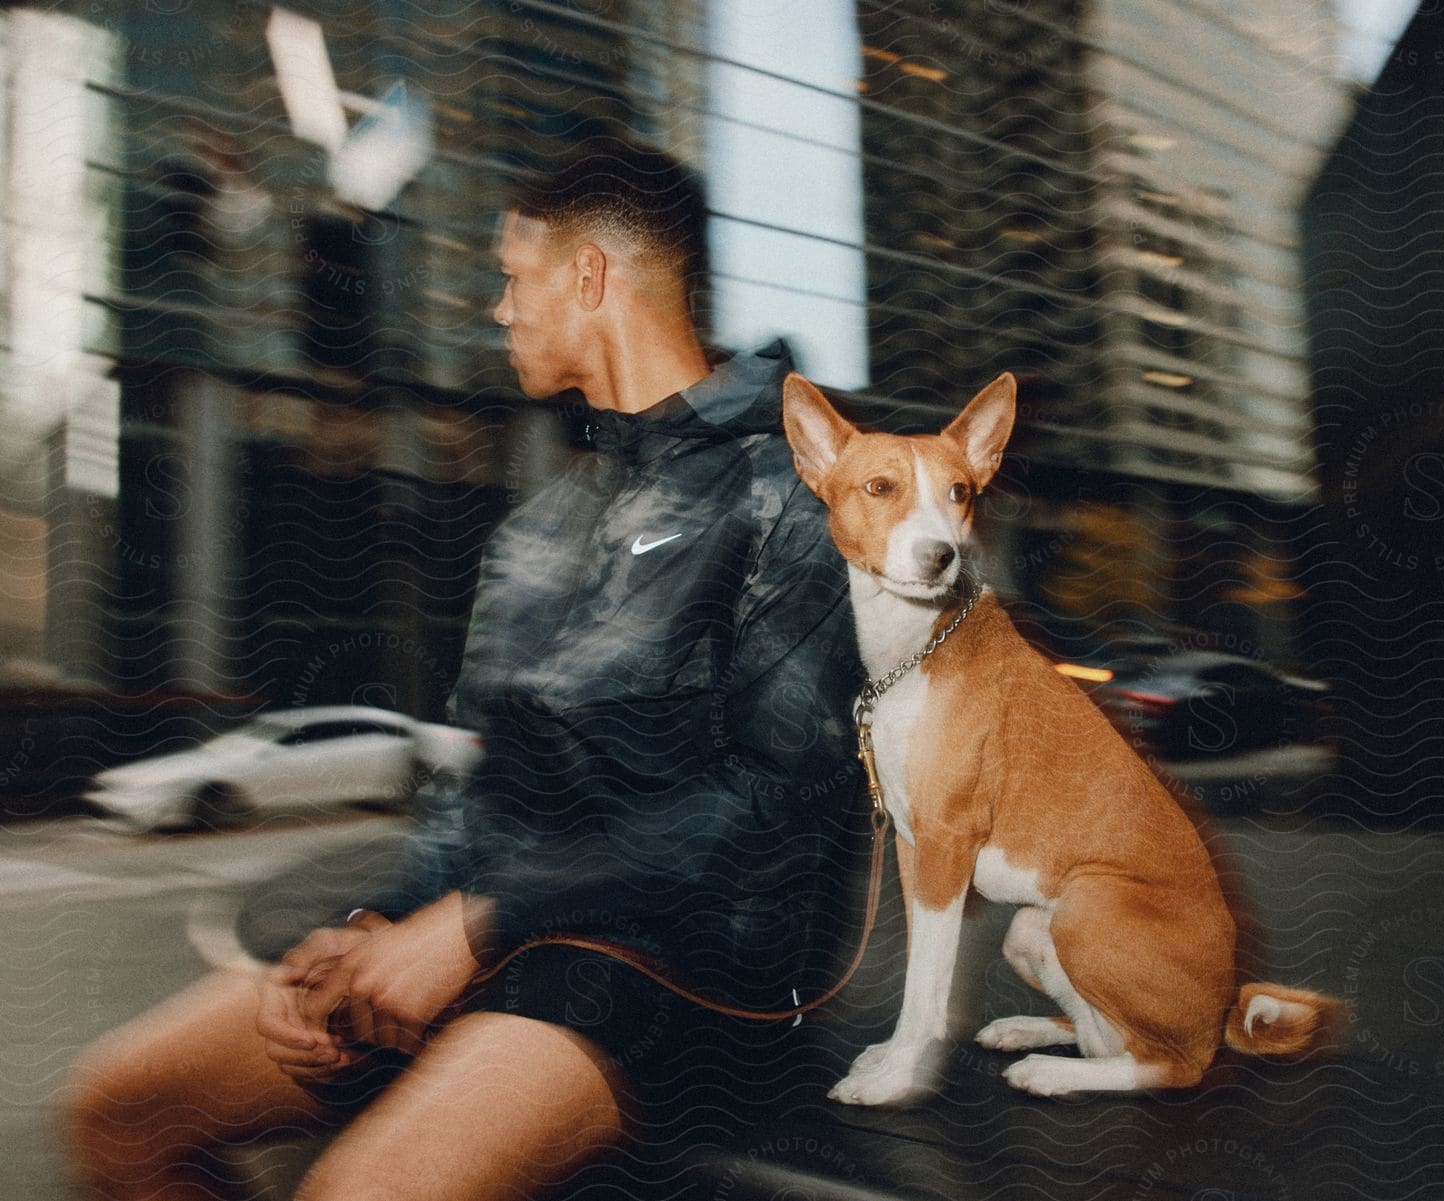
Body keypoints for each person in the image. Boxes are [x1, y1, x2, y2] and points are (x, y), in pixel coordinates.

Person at [60, 134, 864, 1201]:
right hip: (492, 939)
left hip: (678, 981)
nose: (498, 310)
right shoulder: (542, 525)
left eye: (512, 279)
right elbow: (482, 795)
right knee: (114, 1108)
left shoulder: (796, 495)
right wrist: (371, 929)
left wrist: (484, 918)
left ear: (589, 278)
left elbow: (777, 817)